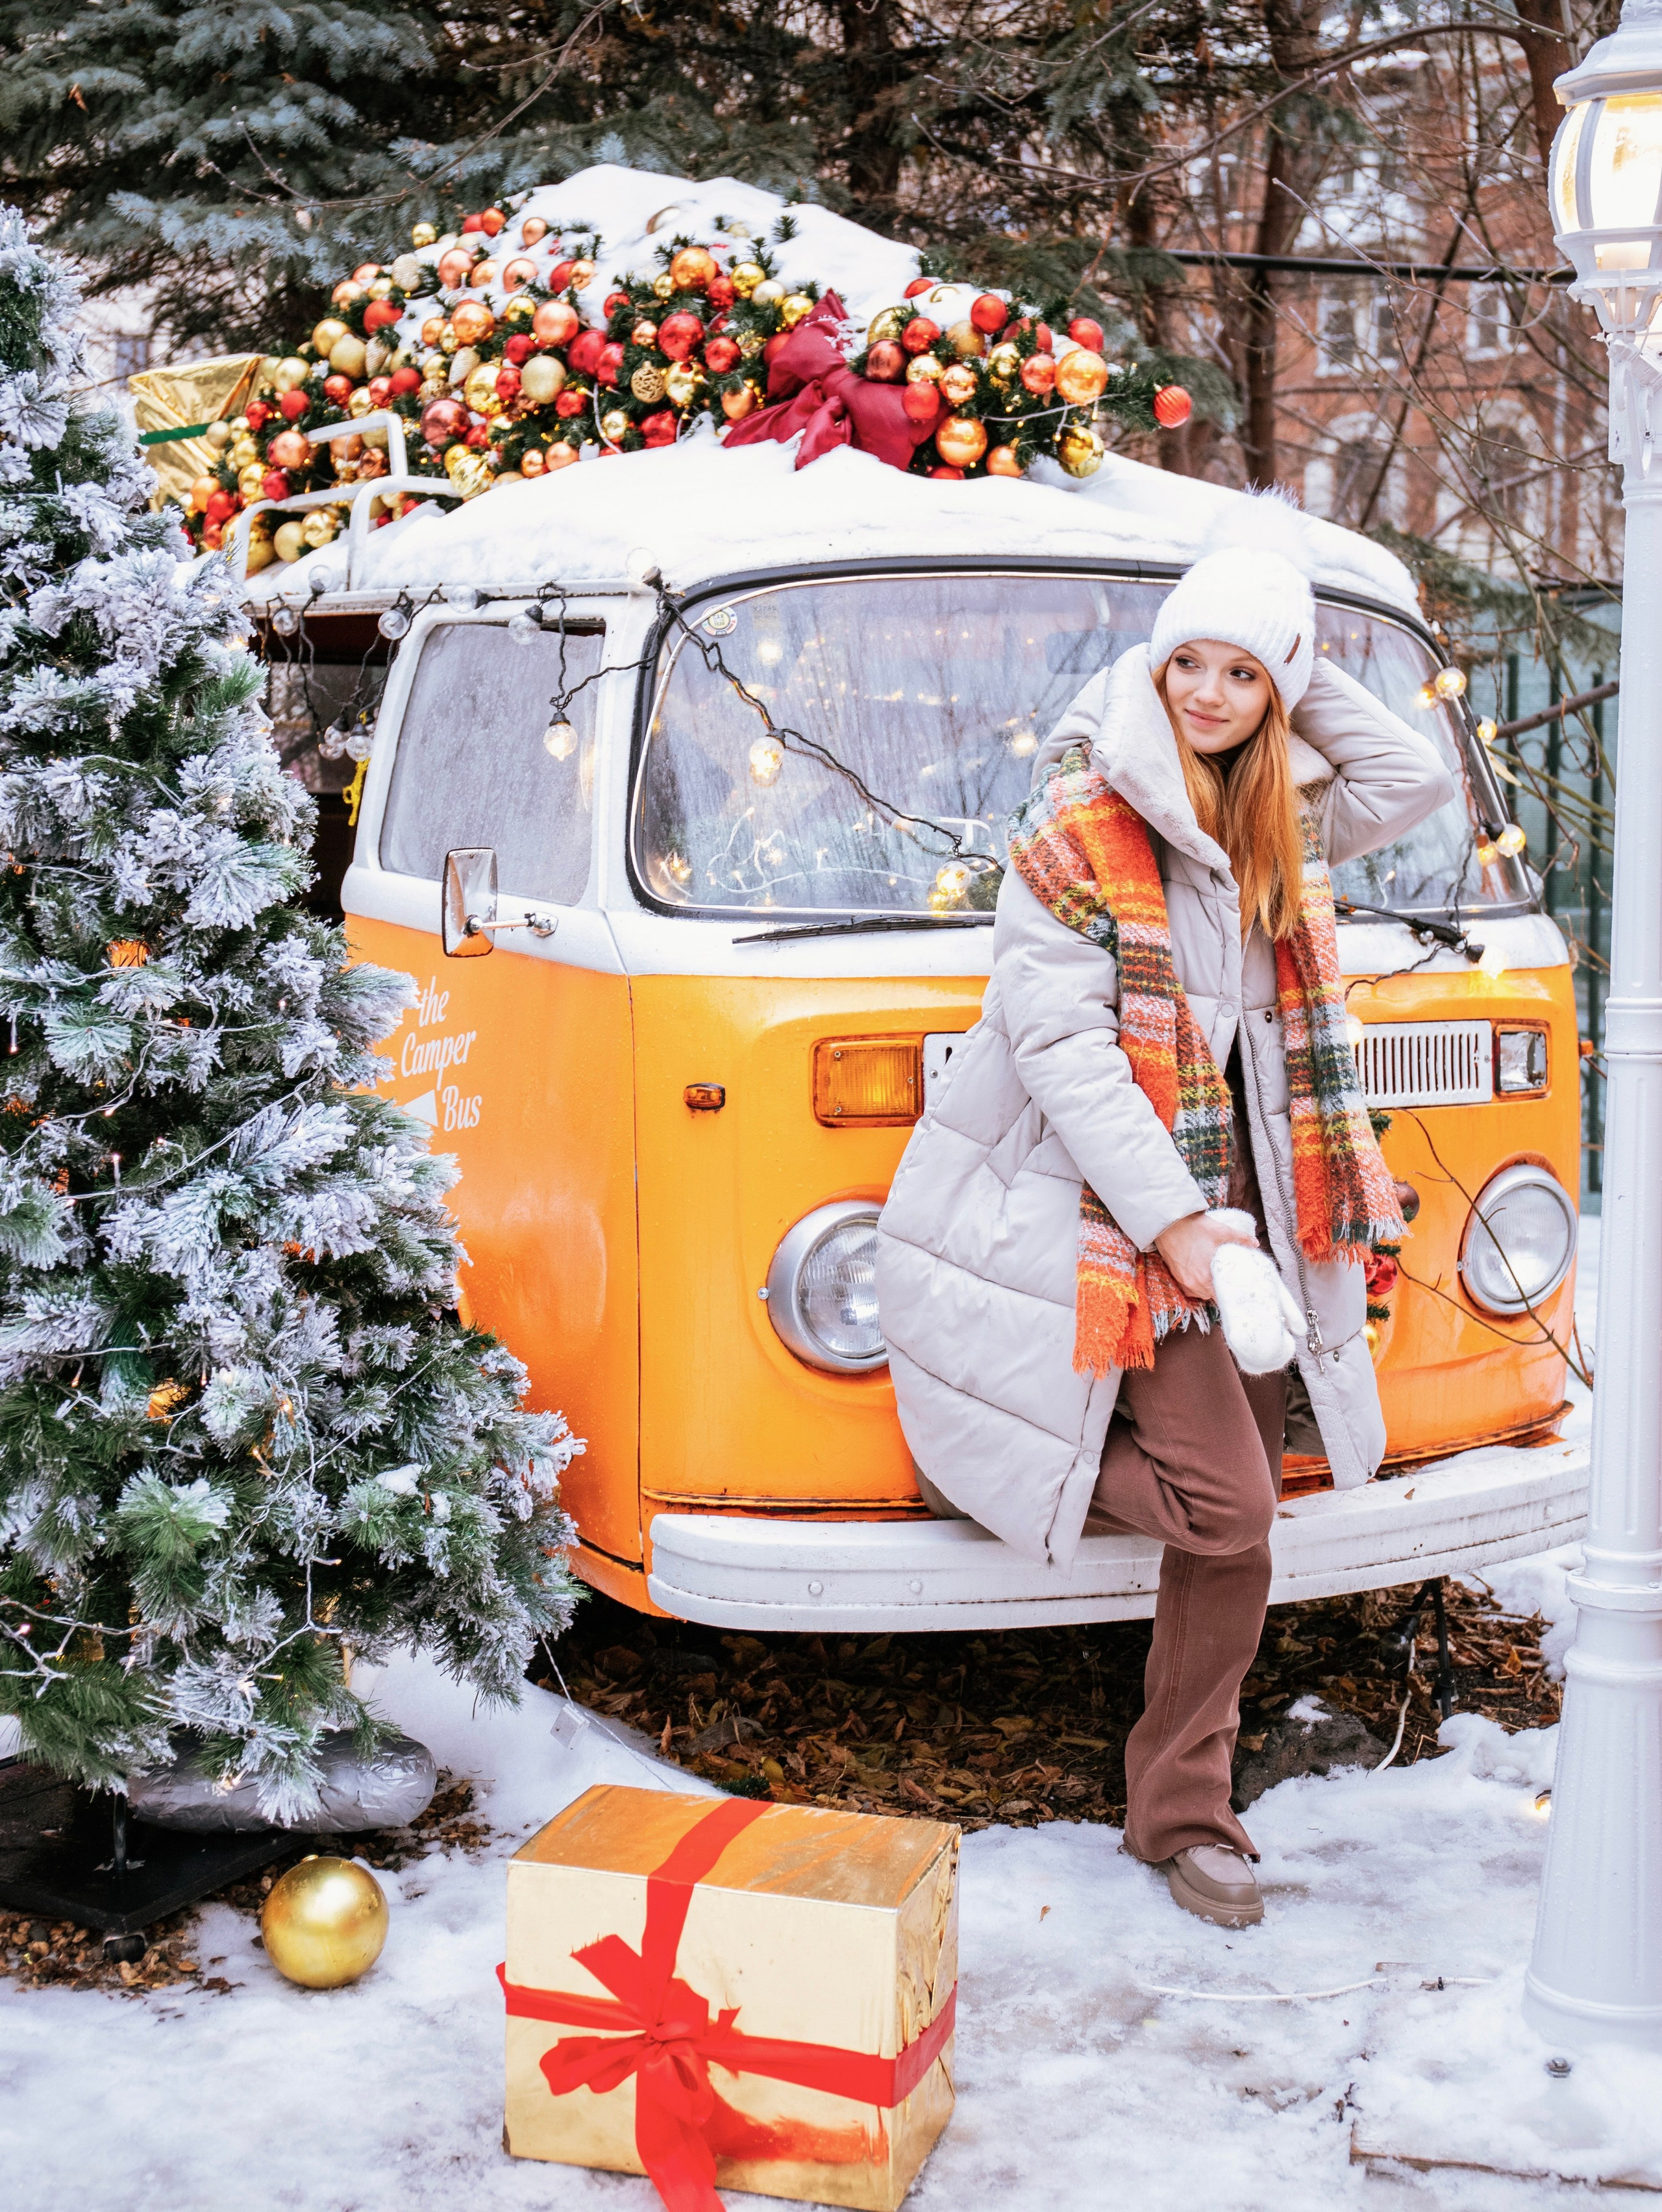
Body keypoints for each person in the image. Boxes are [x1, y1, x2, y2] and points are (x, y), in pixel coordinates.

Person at [874, 530, 1456, 1929]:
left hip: (1248, 1189)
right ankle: (1005, 1471)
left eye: (1237, 672)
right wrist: (1185, 1229)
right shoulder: (1077, 827)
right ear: (1147, 667)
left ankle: (1178, 1811)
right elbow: (1066, 1057)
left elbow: (1412, 776)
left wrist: (1291, 665)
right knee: (1229, 1506)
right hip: (1110, 1200)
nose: (1203, 692)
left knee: (1235, 1540)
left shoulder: (1279, 815)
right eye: (1181, 663)